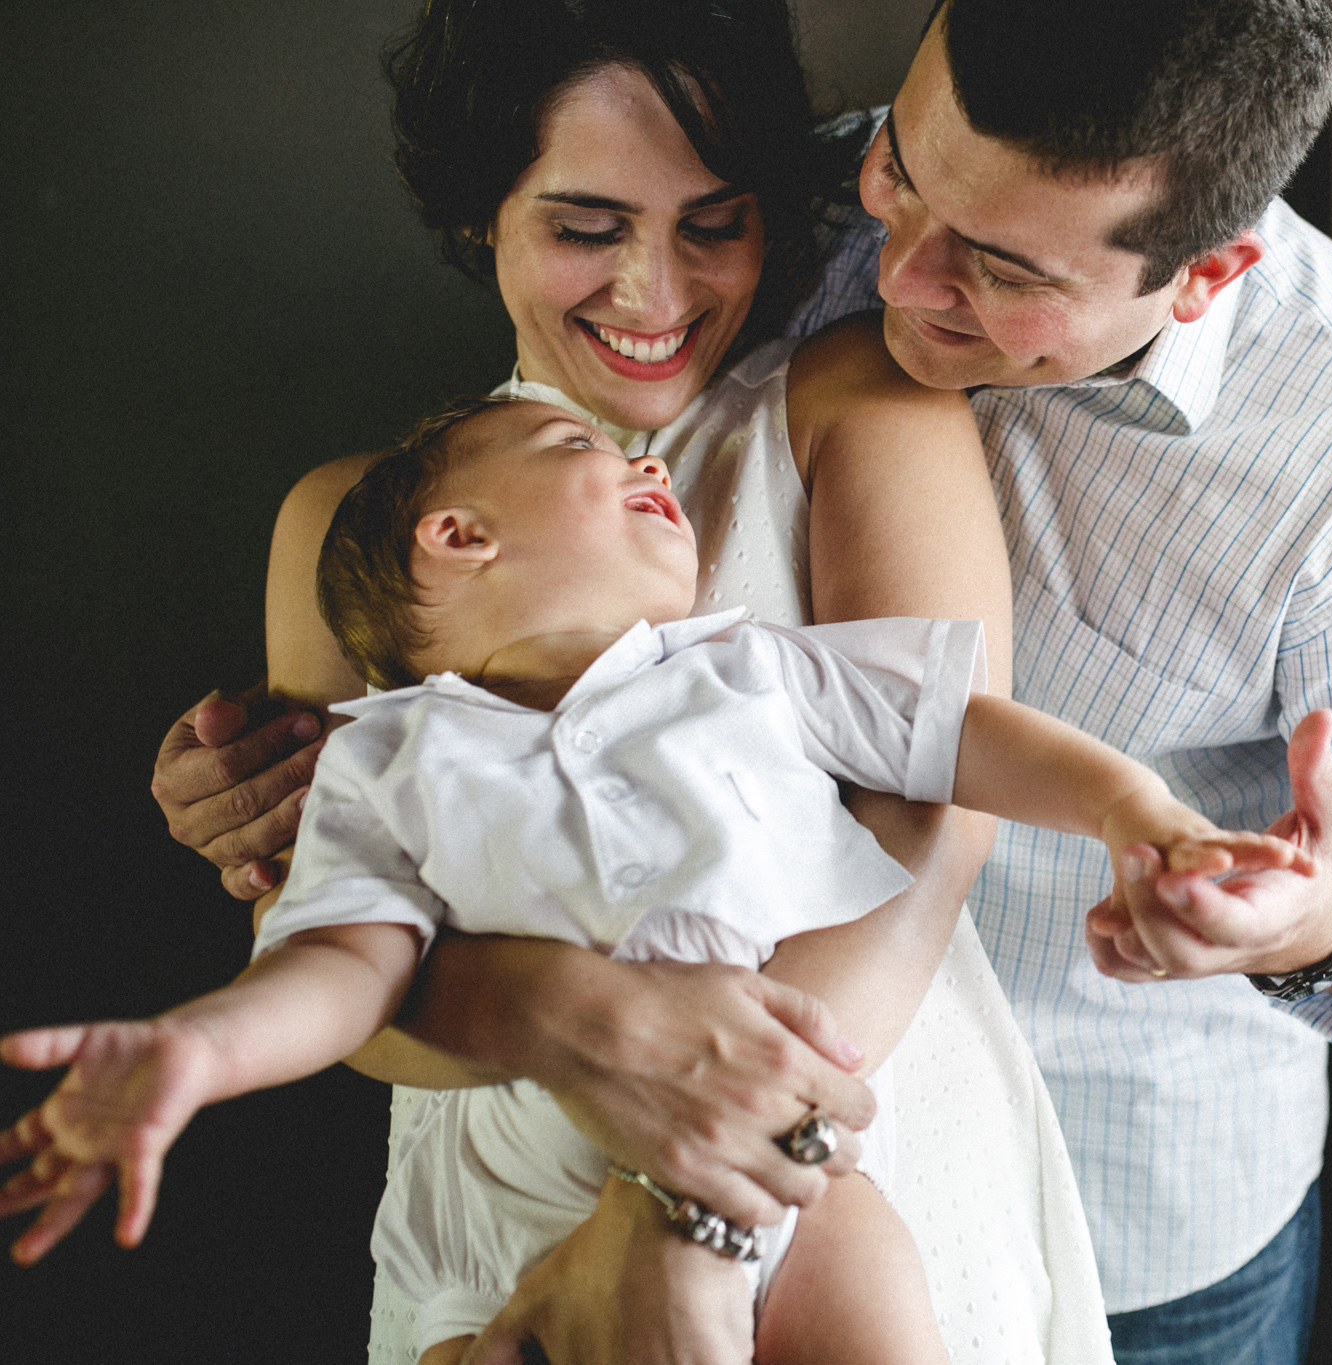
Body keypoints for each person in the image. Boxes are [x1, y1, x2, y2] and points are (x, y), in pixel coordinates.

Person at [152, 2, 1332, 1362]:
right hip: (532, 1154)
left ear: (1204, 275)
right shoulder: (774, 185)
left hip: (1106, 1174)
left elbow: (945, 809)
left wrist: (1312, 917)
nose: (892, 274)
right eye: (899, 169)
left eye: (1001, 271)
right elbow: (340, 956)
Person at [144, 2, 1115, 1363]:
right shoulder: (341, 529)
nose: (656, 295)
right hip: (505, 1178)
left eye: (712, 223)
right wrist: (579, 1025)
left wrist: (681, 1199)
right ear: (483, 210)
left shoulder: (857, 409)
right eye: (587, 229)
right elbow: (338, 959)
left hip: (855, 1134)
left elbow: (936, 829)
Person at [3, 393, 1316, 1365]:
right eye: (583, 452)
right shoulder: (394, 761)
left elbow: (961, 733)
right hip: (524, 1183)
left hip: (782, 1178)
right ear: (457, 538)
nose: (645, 459)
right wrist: (194, 1052)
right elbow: (338, 971)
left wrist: (1132, 806)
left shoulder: (750, 670)